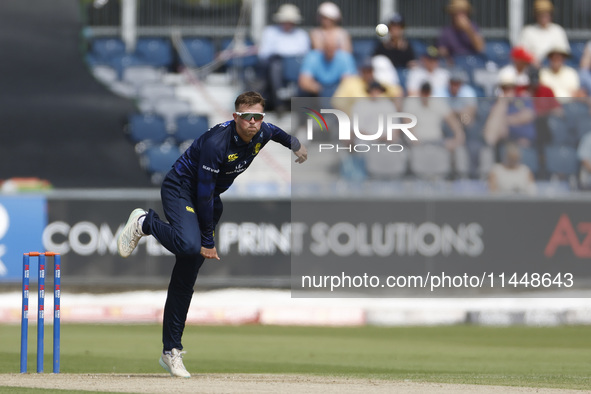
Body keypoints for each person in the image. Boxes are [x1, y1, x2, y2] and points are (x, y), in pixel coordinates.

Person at [116, 91, 307, 378]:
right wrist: (208, 239)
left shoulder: (263, 130)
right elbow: (204, 194)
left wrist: (296, 146)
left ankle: (171, 351)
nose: (253, 122)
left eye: (258, 117)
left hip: (208, 199)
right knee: (189, 245)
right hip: (181, 189)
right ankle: (145, 222)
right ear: (235, 117)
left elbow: (278, 133)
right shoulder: (217, 144)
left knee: (186, 278)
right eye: (247, 117)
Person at [257, 4, 310, 111]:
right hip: (275, 65)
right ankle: (278, 102)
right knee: (275, 66)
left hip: (296, 66)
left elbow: (305, 55)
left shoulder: (302, 35)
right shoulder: (270, 32)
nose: (287, 24)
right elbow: (263, 53)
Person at [483, 73, 537, 149]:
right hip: (504, 138)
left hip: (522, 138)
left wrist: (504, 120)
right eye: (505, 88)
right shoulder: (497, 102)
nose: (508, 90)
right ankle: (488, 148)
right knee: (495, 128)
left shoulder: (522, 98)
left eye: (511, 87)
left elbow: (528, 115)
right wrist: (503, 102)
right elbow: (493, 120)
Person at [519, 0, 570, 66]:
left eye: (546, 14)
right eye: (541, 14)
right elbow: (521, 52)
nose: (544, 17)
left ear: (551, 15)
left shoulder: (558, 30)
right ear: (536, 15)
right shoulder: (528, 31)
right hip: (532, 68)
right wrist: (531, 59)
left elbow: (564, 51)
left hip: (554, 68)